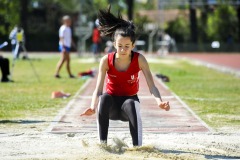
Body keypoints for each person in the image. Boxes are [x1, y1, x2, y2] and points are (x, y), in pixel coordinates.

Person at [80, 6, 170, 146]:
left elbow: (152, 86)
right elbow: (98, 90)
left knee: (131, 103)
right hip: (110, 106)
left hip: (128, 107)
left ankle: (137, 147)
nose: (123, 49)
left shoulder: (140, 59)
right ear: (114, 44)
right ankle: (102, 144)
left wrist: (160, 102)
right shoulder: (106, 60)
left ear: (133, 45)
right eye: (120, 45)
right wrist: (92, 106)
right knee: (103, 98)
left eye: (127, 46)